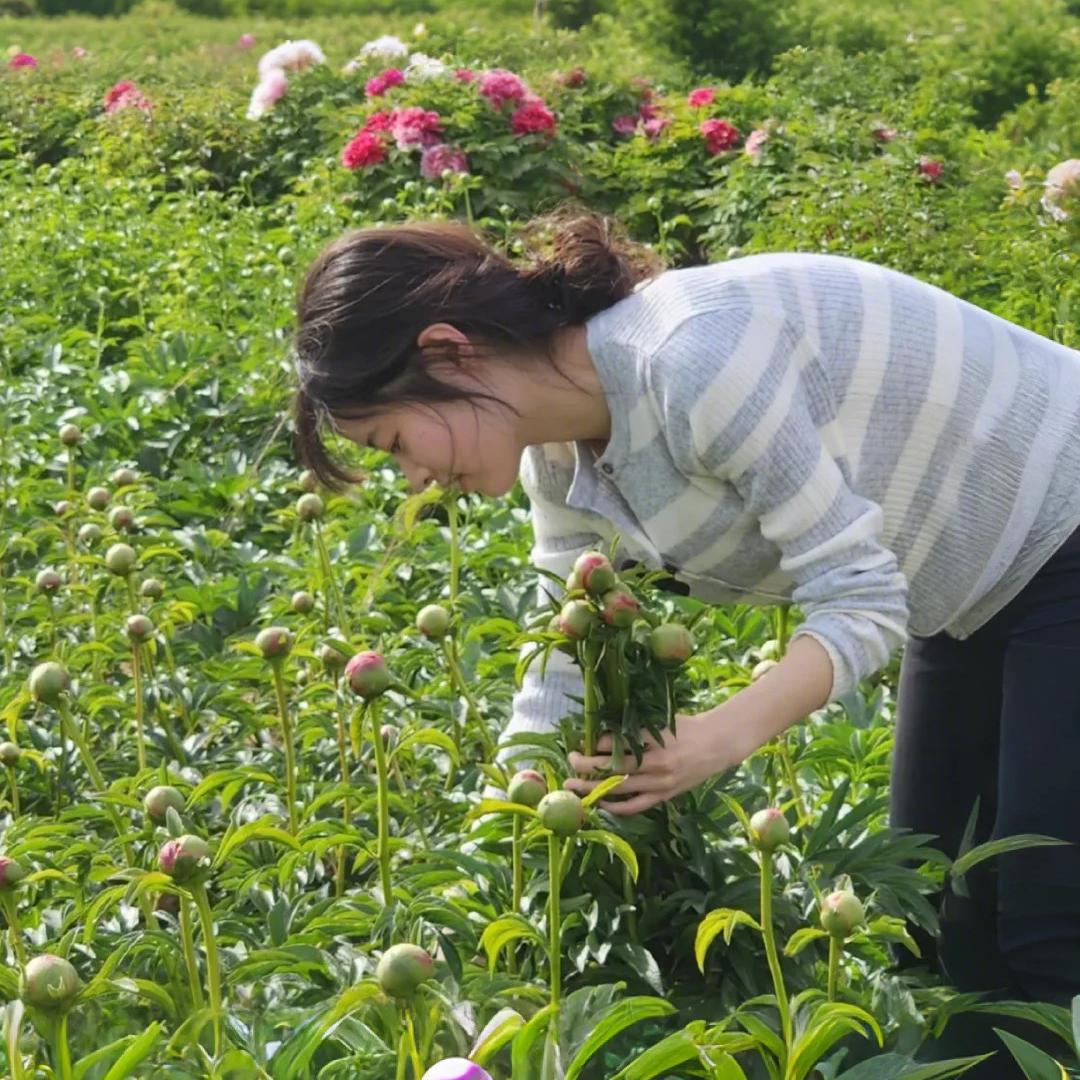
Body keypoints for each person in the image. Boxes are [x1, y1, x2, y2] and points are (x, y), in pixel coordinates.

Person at [291, 208, 1080, 1053]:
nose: (414, 476)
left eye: (395, 441)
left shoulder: (688, 360)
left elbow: (860, 597)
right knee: (934, 909)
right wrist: (511, 813)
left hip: (1064, 516)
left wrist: (711, 740)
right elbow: (567, 636)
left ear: (449, 352)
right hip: (968, 589)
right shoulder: (558, 457)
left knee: (1048, 921)